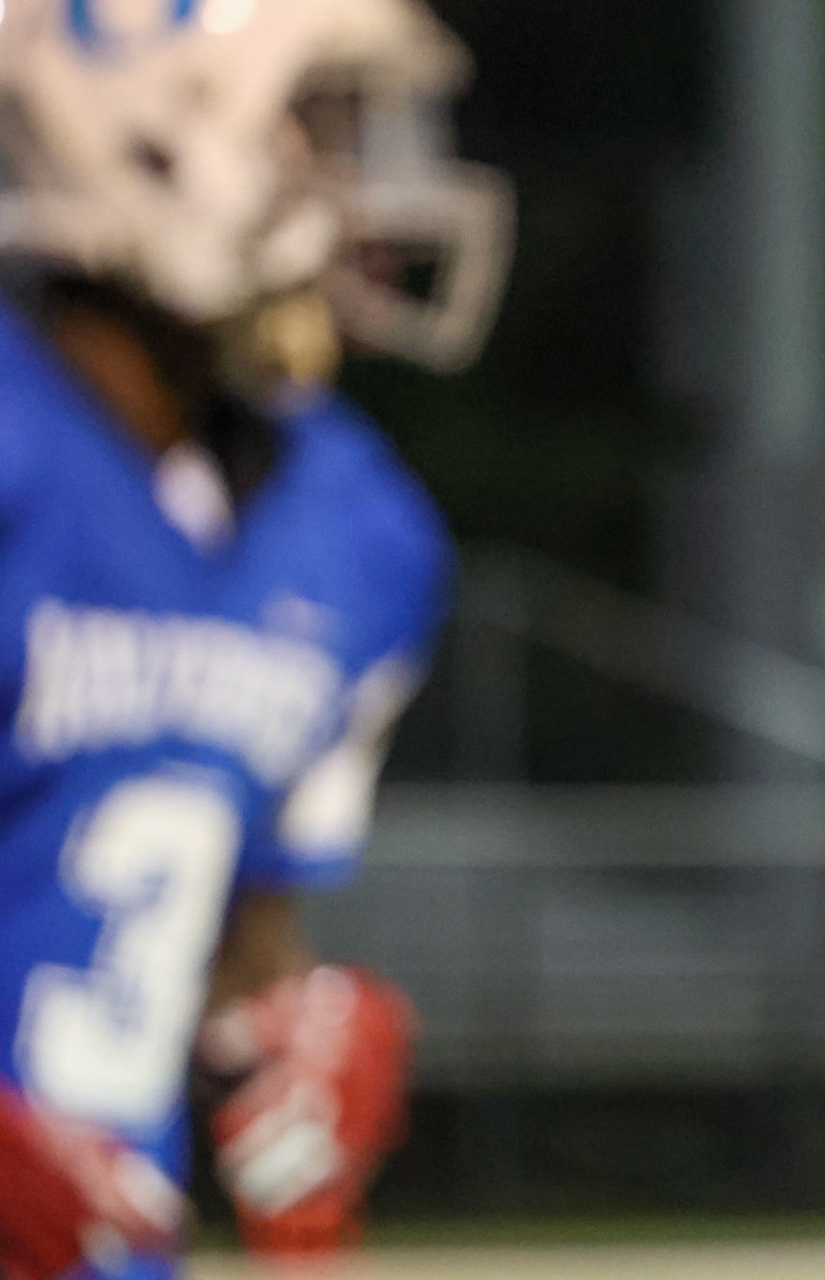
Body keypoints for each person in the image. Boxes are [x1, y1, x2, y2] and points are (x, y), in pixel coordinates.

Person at [0, 0, 511, 1275]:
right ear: (155, 132)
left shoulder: (356, 528)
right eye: (319, 125)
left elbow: (208, 935)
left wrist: (267, 1034)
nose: (369, 182)